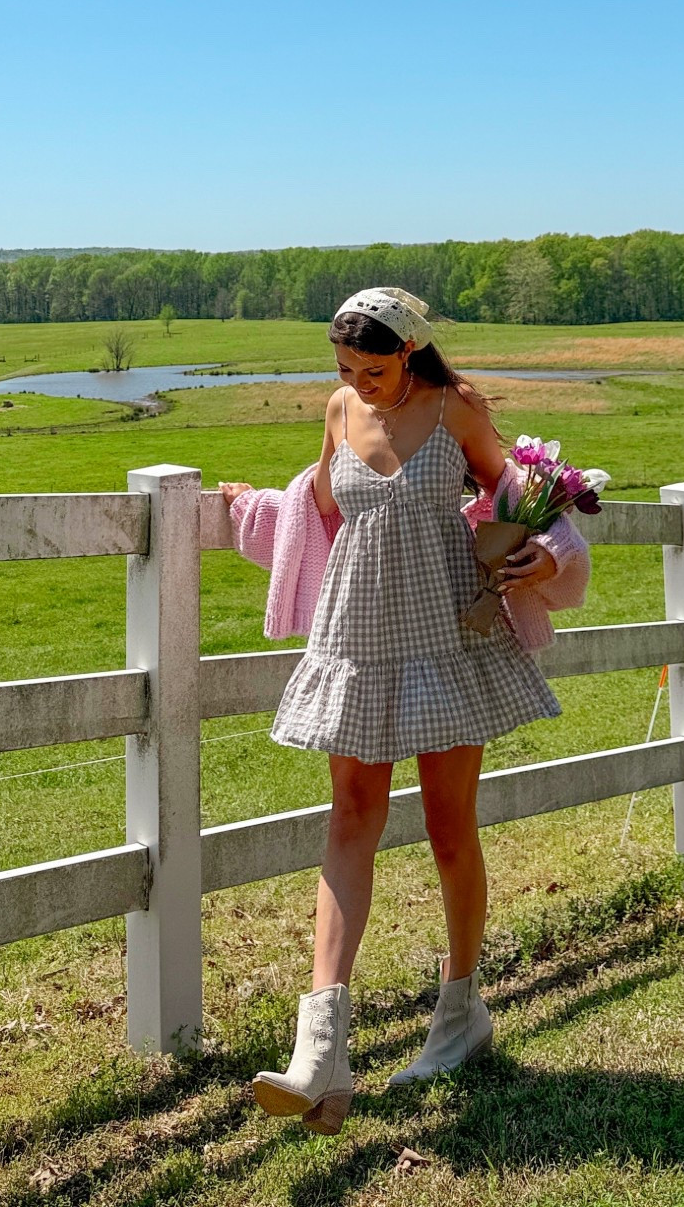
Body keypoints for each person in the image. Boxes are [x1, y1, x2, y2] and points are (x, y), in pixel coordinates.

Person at [220, 287, 591, 1134]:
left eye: (376, 368)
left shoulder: (455, 407)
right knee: (349, 817)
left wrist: (539, 552)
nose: (363, 384)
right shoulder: (340, 408)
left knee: (449, 825)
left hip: (445, 639)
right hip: (357, 637)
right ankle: (321, 1051)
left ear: (412, 355)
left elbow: (517, 500)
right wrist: (245, 507)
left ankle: (461, 1019)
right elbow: (315, 509)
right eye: (348, 369)